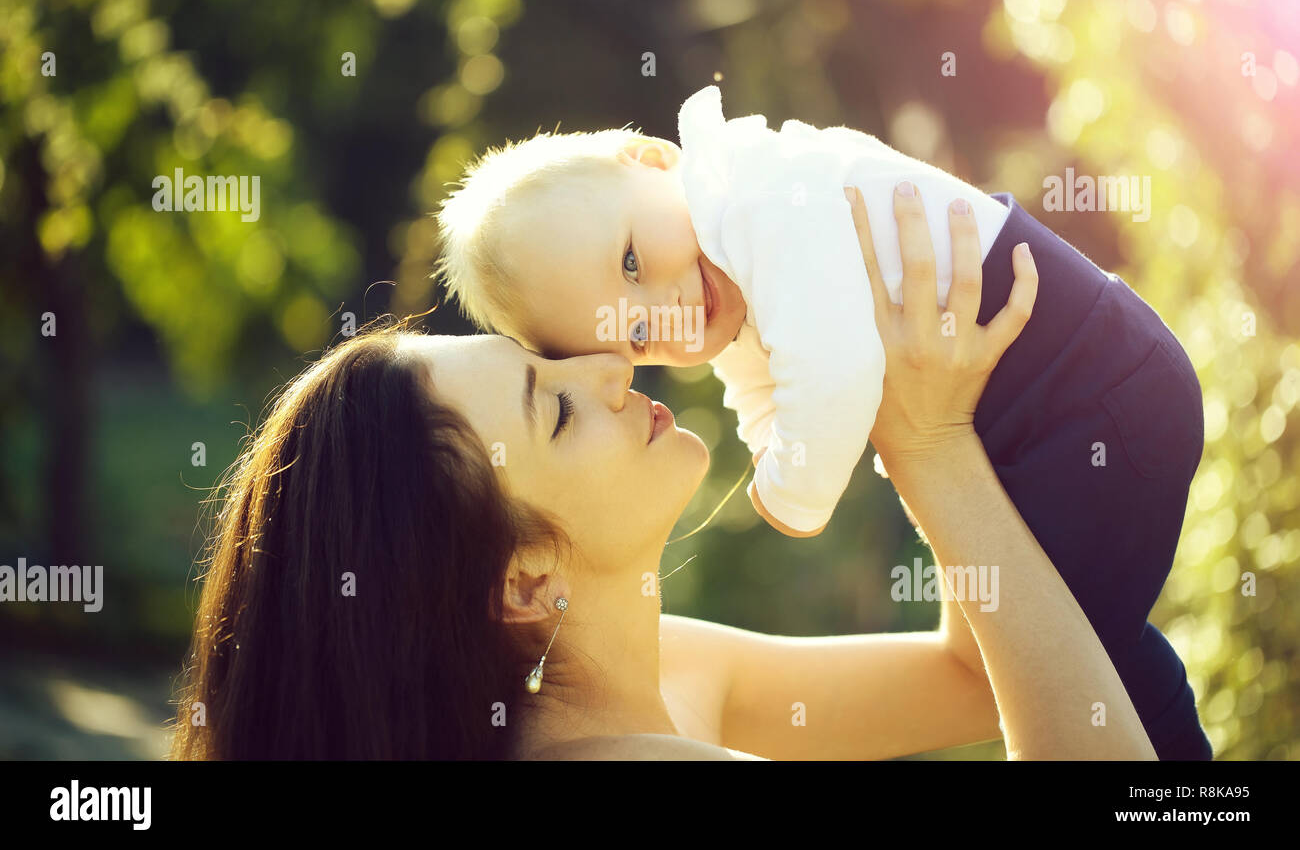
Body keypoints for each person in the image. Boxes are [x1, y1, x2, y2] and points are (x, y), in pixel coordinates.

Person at [170, 187, 1158, 760]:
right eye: (552, 406)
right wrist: (934, 449)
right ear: (522, 577)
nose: (608, 364)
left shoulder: (656, 674)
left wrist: (911, 413)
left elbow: (973, 678)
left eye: (547, 359)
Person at [431, 89, 1212, 759]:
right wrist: (845, 445)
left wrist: (799, 486)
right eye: (629, 335)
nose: (647, 329)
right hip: (1052, 410)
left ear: (655, 160)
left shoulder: (756, 202)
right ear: (525, 578)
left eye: (631, 264)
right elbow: (759, 389)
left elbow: (835, 372)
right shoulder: (725, 274)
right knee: (1101, 651)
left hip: (1090, 388)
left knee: (1095, 652)